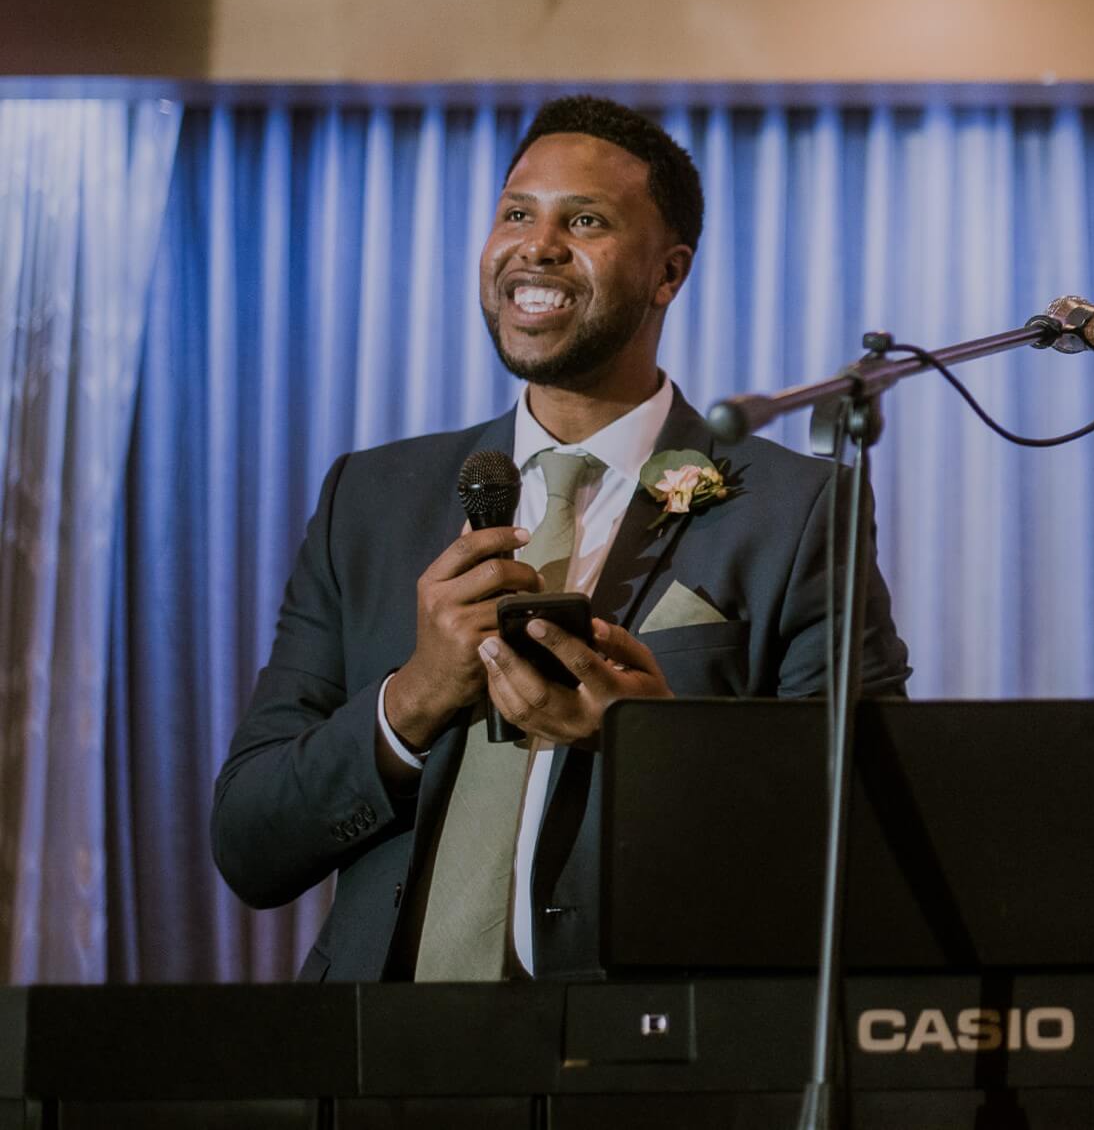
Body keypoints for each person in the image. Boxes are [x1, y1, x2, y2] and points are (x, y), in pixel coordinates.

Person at [211, 96, 910, 982]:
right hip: (374, 1061)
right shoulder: (372, 497)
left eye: (584, 220)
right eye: (515, 213)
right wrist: (413, 700)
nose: (536, 245)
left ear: (668, 273)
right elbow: (249, 844)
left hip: (633, 1060)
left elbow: (870, 829)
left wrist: (647, 749)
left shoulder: (796, 509)